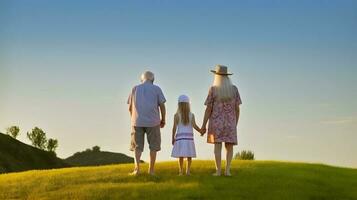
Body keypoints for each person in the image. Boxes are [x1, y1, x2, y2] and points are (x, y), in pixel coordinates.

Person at [201, 65, 242, 176]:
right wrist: (235, 123)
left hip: (216, 123)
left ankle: (218, 171)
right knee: (229, 147)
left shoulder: (213, 90)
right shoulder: (234, 89)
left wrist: (203, 125)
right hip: (230, 123)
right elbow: (237, 109)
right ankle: (227, 170)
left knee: (217, 147)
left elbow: (208, 109)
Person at [127, 71, 166, 175]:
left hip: (137, 121)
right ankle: (151, 171)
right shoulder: (157, 89)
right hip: (153, 122)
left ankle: (137, 170)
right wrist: (163, 120)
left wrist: (133, 119)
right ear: (152, 80)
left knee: (137, 146)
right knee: (153, 146)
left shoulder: (134, 89)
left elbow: (130, 107)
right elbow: (162, 105)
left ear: (142, 79)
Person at [171, 95, 203, 175]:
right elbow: (194, 126)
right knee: (189, 155)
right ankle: (188, 171)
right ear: (188, 104)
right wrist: (201, 131)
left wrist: (173, 138)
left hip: (180, 138)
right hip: (189, 138)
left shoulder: (176, 115)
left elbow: (174, 128)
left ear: (179, 105)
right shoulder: (191, 115)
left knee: (180, 156)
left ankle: (181, 172)